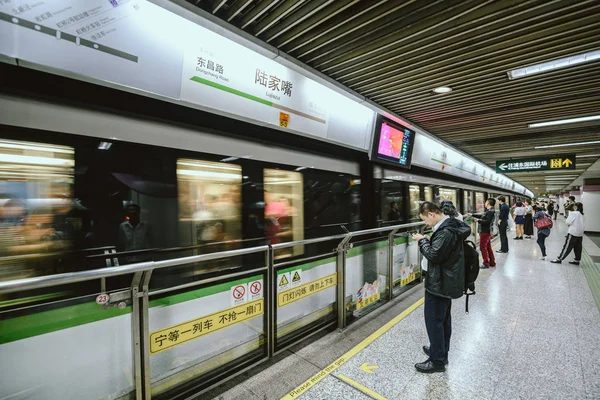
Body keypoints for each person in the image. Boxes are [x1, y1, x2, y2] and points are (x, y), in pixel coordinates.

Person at [412, 202, 471, 373]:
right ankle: (440, 351)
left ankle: (437, 361)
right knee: (443, 319)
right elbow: (442, 251)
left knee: (434, 321)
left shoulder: (444, 231)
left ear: (431, 214)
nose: (425, 224)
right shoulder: (450, 226)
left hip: (439, 283)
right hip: (446, 280)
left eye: (425, 220)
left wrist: (422, 241)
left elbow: (433, 255)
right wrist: (431, 241)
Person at [474, 198, 496, 269]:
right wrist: (472, 215)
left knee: (482, 247)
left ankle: (486, 263)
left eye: (486, 202)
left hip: (485, 232)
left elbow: (487, 222)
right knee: (488, 247)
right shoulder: (490, 211)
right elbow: (483, 216)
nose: (485, 203)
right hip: (487, 232)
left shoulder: (490, 212)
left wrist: (478, 220)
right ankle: (492, 262)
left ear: (488, 203)